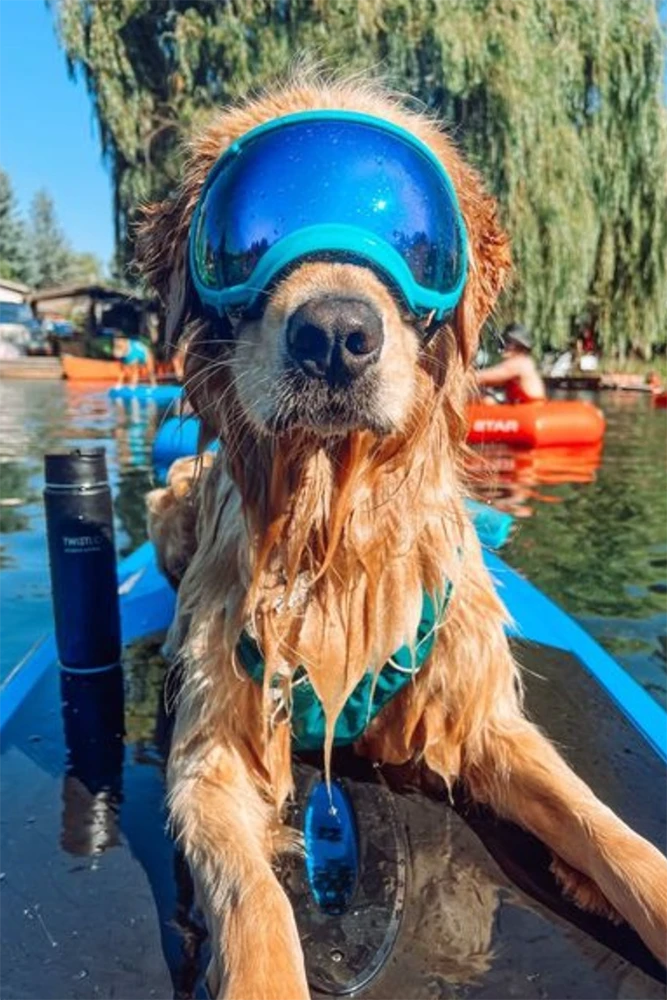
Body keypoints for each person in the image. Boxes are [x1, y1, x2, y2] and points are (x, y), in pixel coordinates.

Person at [476, 323, 546, 403]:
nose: (503, 345)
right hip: (525, 409)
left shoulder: (519, 363)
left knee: (486, 401)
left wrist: (462, 377)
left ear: (520, 346)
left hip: (531, 411)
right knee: (486, 399)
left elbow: (481, 378)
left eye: (508, 341)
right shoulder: (522, 362)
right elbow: (490, 382)